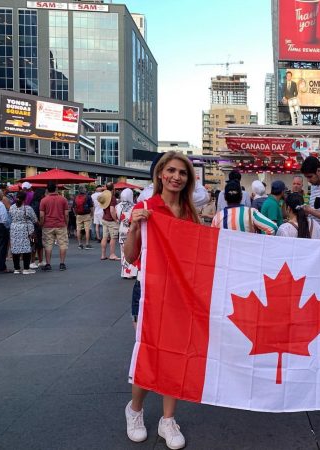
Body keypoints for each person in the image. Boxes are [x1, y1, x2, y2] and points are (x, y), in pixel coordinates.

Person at [123, 151, 201, 449]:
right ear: (160, 174)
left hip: (180, 294)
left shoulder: (190, 214)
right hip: (149, 292)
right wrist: (134, 227)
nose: (176, 177)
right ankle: (135, 411)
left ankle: (168, 419)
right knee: (150, 353)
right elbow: (131, 256)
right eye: (171, 171)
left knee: (176, 355)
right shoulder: (145, 207)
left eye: (182, 172)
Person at [211, 181, 277, 235]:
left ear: (225, 197)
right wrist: (259, 242)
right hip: (249, 247)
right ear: (241, 196)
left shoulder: (217, 217)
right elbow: (272, 227)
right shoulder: (250, 213)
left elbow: (213, 237)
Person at [39, 181, 69, 271]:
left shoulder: (44, 200)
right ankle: (62, 263)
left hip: (48, 225)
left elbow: (41, 215)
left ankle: (48, 264)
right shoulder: (63, 199)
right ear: (56, 188)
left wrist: (41, 224)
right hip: (61, 224)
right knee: (63, 244)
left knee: (48, 245)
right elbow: (66, 214)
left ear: (47, 189)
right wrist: (66, 224)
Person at [8, 191, 37, 274]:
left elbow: (10, 217)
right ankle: (26, 269)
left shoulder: (12, 207)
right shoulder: (28, 208)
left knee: (15, 248)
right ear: (25, 199)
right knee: (26, 248)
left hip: (14, 229)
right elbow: (35, 220)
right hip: (25, 230)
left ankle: (16, 269)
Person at [116, 188, 138, 279]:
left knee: (123, 252)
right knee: (133, 251)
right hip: (131, 230)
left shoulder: (118, 206)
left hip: (121, 230)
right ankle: (132, 272)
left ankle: (125, 272)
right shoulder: (134, 206)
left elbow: (117, 217)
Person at [98, 182, 120, 261]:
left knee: (104, 237)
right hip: (111, 220)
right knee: (113, 238)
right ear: (113, 188)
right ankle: (112, 254)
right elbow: (112, 210)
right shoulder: (112, 198)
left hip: (104, 219)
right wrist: (116, 219)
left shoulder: (104, 197)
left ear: (106, 188)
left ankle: (103, 255)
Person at [29, 188, 46, 268]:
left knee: (34, 244)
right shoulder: (39, 204)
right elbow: (40, 216)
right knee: (37, 244)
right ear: (41, 195)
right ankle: (36, 261)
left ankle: (34, 261)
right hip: (37, 227)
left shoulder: (32, 203)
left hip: (32, 227)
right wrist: (41, 224)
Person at [73, 185, 93, 250]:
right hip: (87, 215)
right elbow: (91, 207)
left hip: (79, 215)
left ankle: (80, 244)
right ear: (84, 190)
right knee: (87, 230)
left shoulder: (76, 197)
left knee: (78, 229)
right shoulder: (88, 197)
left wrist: (75, 214)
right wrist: (92, 214)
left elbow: (73, 207)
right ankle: (87, 244)